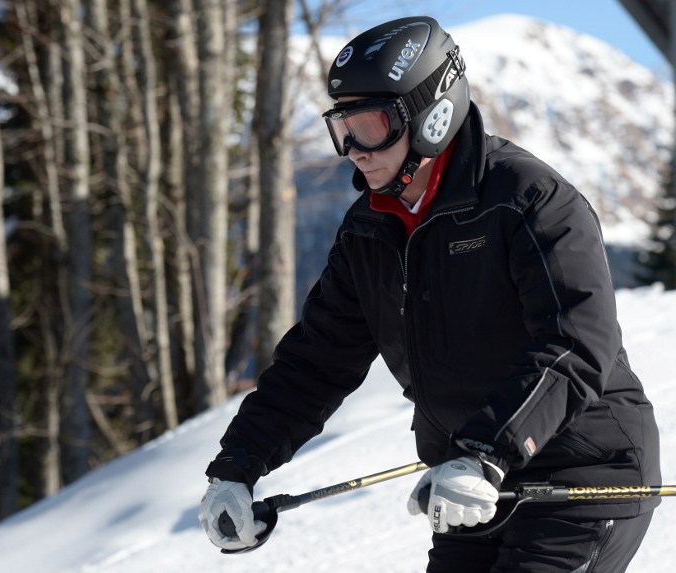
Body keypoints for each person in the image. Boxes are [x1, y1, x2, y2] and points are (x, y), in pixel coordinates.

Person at [198, 16, 661, 572]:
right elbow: (316, 361)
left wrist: (486, 453)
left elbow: (576, 344)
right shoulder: (370, 227)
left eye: (368, 127)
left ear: (431, 115)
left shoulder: (529, 201)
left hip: (582, 473)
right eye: (341, 128)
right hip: (464, 481)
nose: (353, 150)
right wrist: (238, 464)